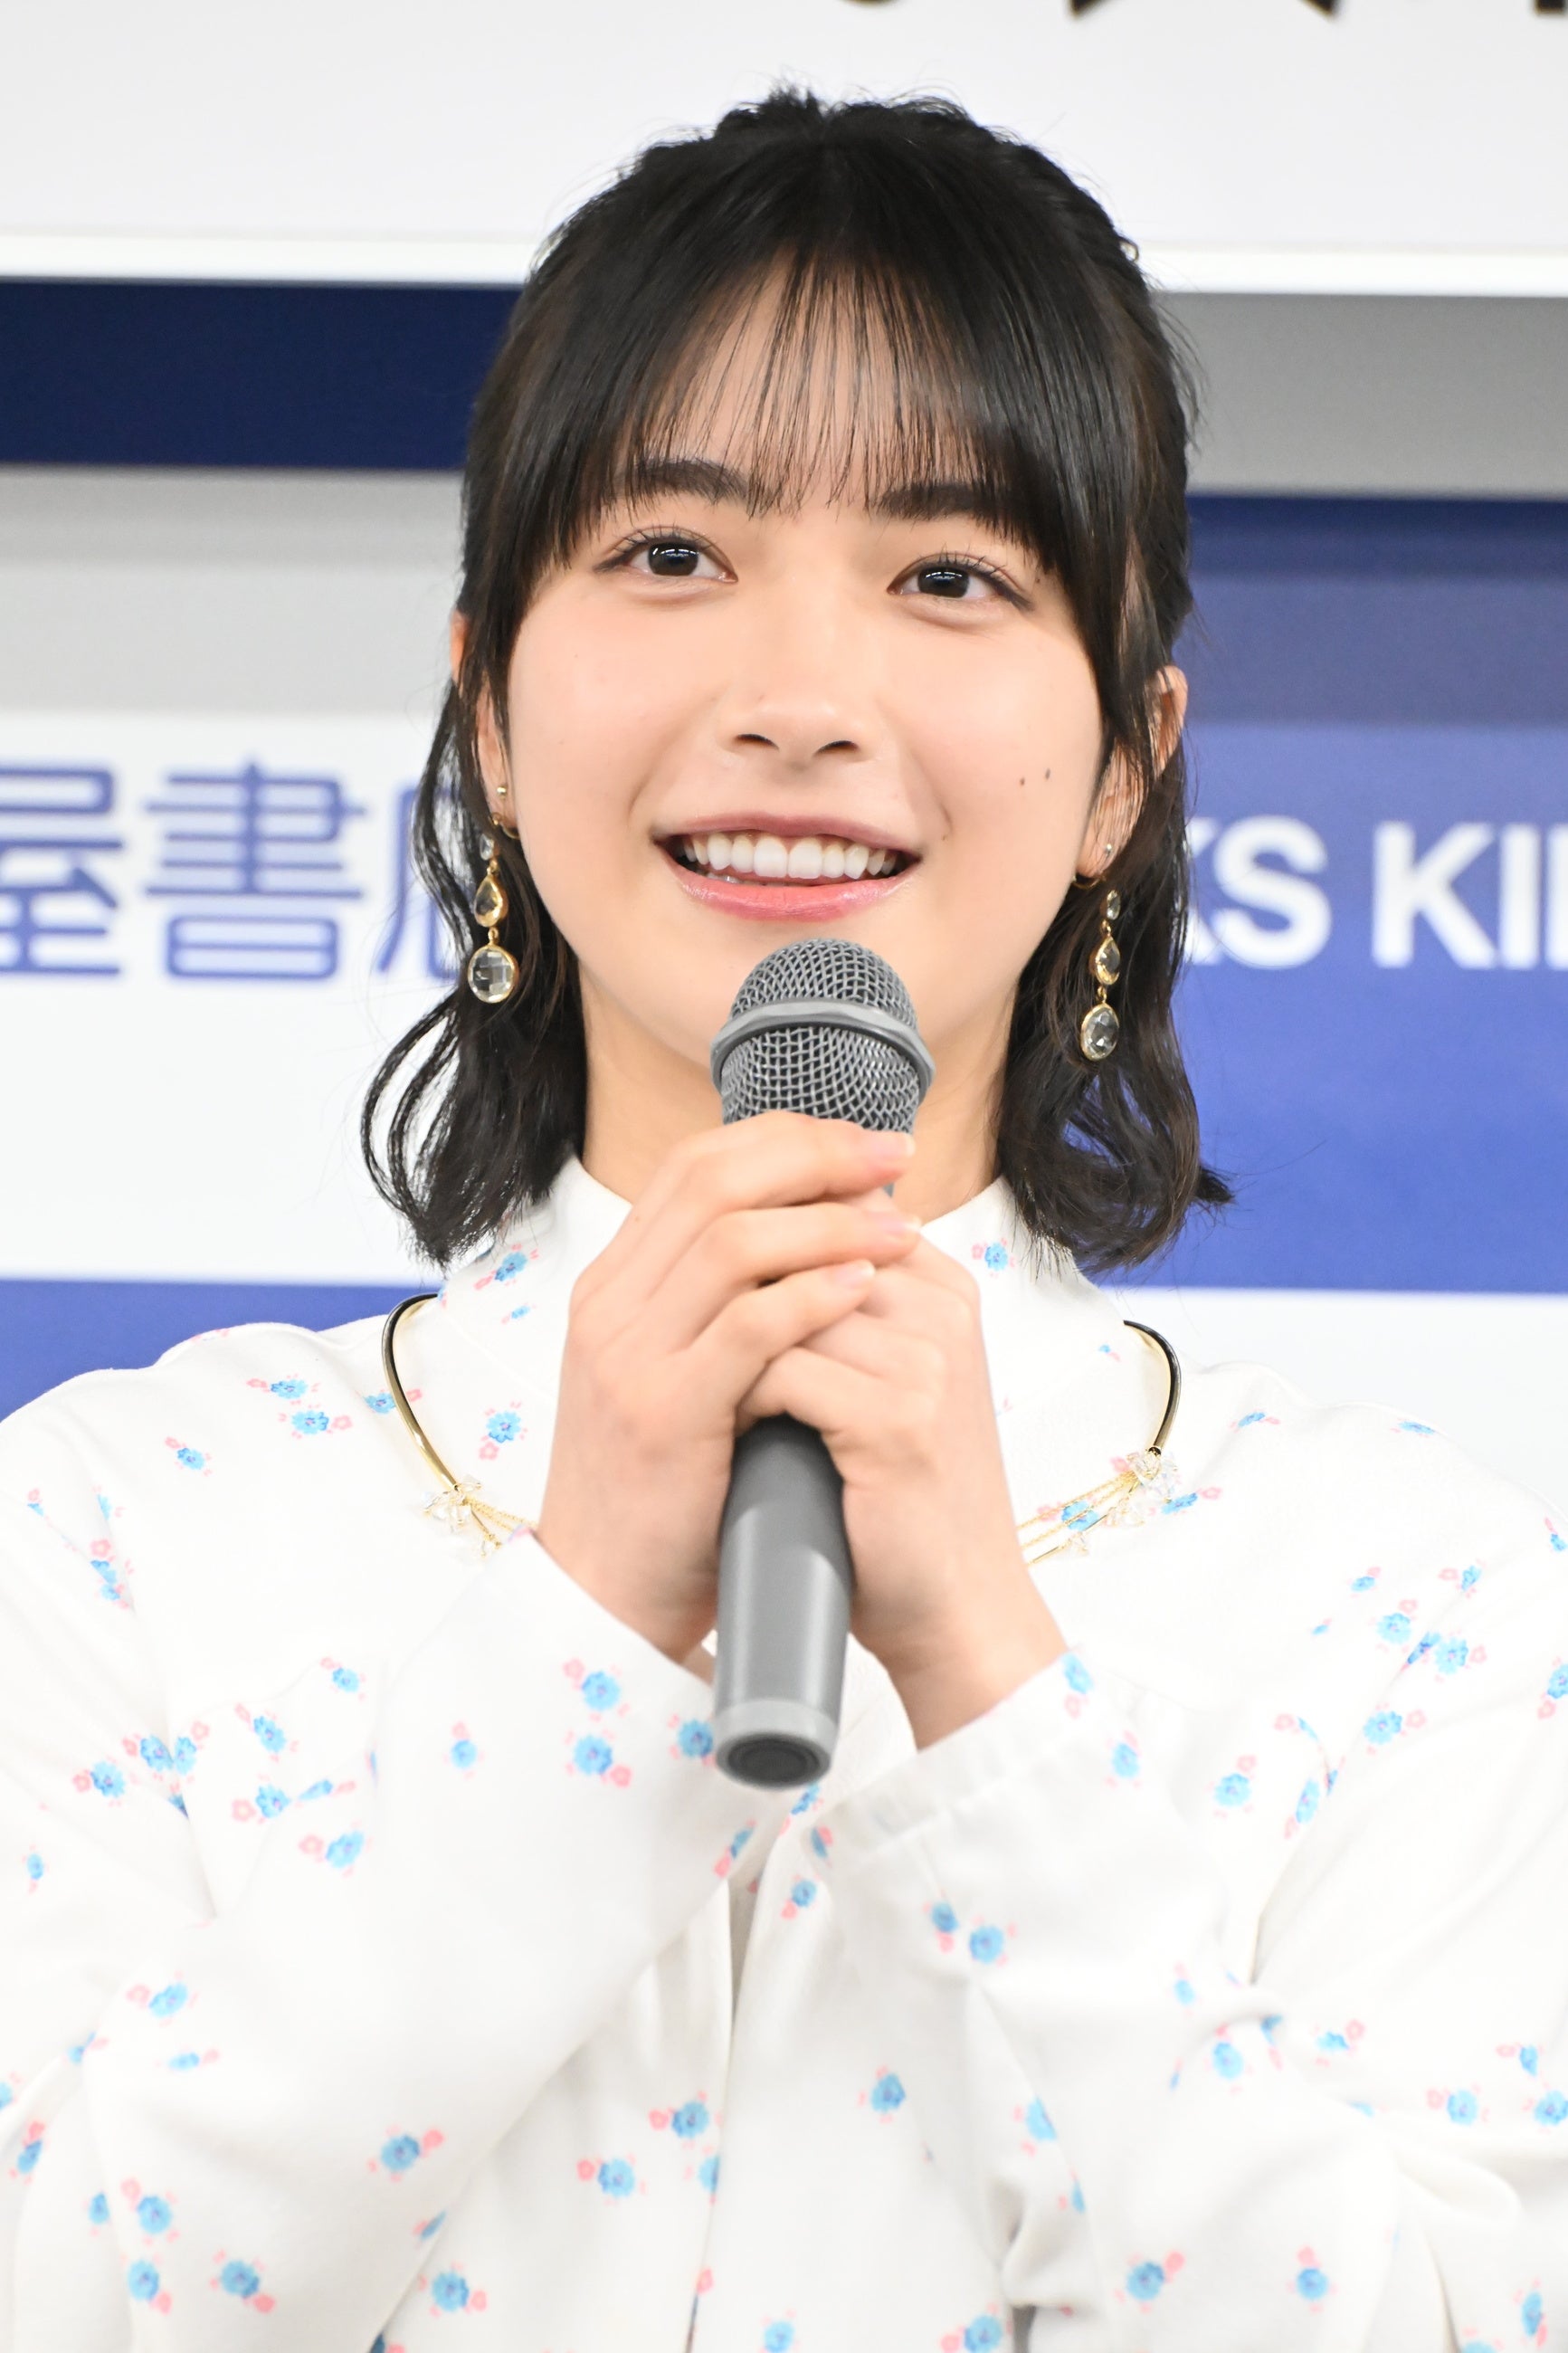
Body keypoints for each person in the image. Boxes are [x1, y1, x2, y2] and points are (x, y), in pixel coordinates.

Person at [1, 89, 1563, 2353]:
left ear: (1126, 764)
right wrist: (578, 1643)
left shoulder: (1409, 1606)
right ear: (488, 706)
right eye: (671, 554)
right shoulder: (116, 1535)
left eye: (951, 576)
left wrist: (992, 1690)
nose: (800, 703)